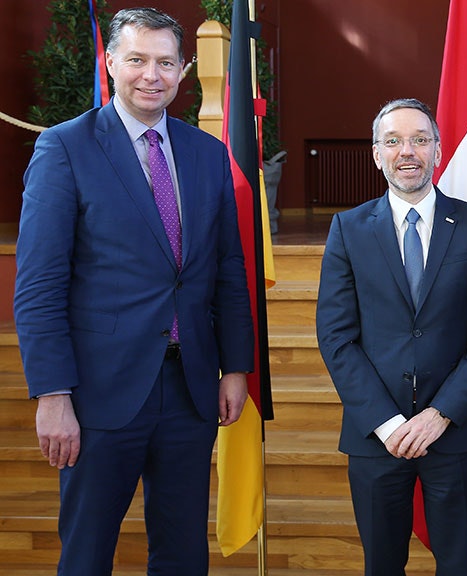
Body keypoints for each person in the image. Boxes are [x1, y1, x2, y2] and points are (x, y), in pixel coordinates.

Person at [12, 7, 254, 575]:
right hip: (98, 393)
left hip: (190, 389)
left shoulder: (206, 153)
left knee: (182, 553)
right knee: (88, 552)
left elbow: (227, 269)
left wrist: (235, 367)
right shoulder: (65, 148)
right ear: (110, 63)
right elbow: (39, 284)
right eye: (138, 59)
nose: (153, 74)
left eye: (166, 62)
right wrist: (52, 393)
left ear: (182, 70)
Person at [316, 98, 467, 576]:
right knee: (381, 565)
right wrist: (387, 422)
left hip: (455, 432)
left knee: (459, 564)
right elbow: (336, 335)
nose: (408, 151)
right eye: (394, 141)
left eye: (420, 139)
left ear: (438, 151)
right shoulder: (347, 229)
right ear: (376, 153)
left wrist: (440, 414)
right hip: (375, 435)